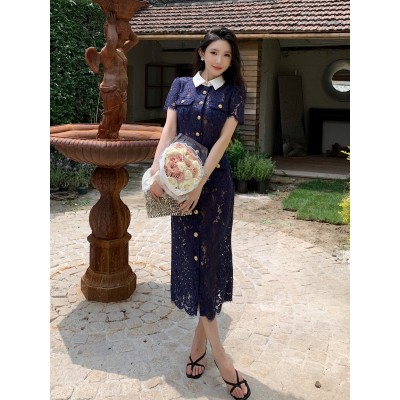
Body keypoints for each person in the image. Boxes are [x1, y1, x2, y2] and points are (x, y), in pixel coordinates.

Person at [149, 27, 251, 400]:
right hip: (178, 184)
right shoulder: (180, 86)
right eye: (214, 52)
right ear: (201, 52)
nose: (220, 60)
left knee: (210, 260)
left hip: (214, 187)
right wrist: (157, 172)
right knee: (191, 257)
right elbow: (168, 131)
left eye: (227, 55)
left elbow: (223, 142)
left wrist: (199, 185)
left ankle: (218, 356)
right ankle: (201, 342)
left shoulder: (234, 93)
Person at [85, 12, 139, 139]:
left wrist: (127, 27)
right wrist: (112, 24)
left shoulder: (120, 51)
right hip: (111, 89)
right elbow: (112, 41)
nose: (123, 41)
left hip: (121, 91)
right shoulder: (107, 52)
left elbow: (135, 40)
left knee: (121, 116)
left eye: (124, 39)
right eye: (121, 39)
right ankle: (103, 135)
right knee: (110, 115)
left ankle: (114, 134)